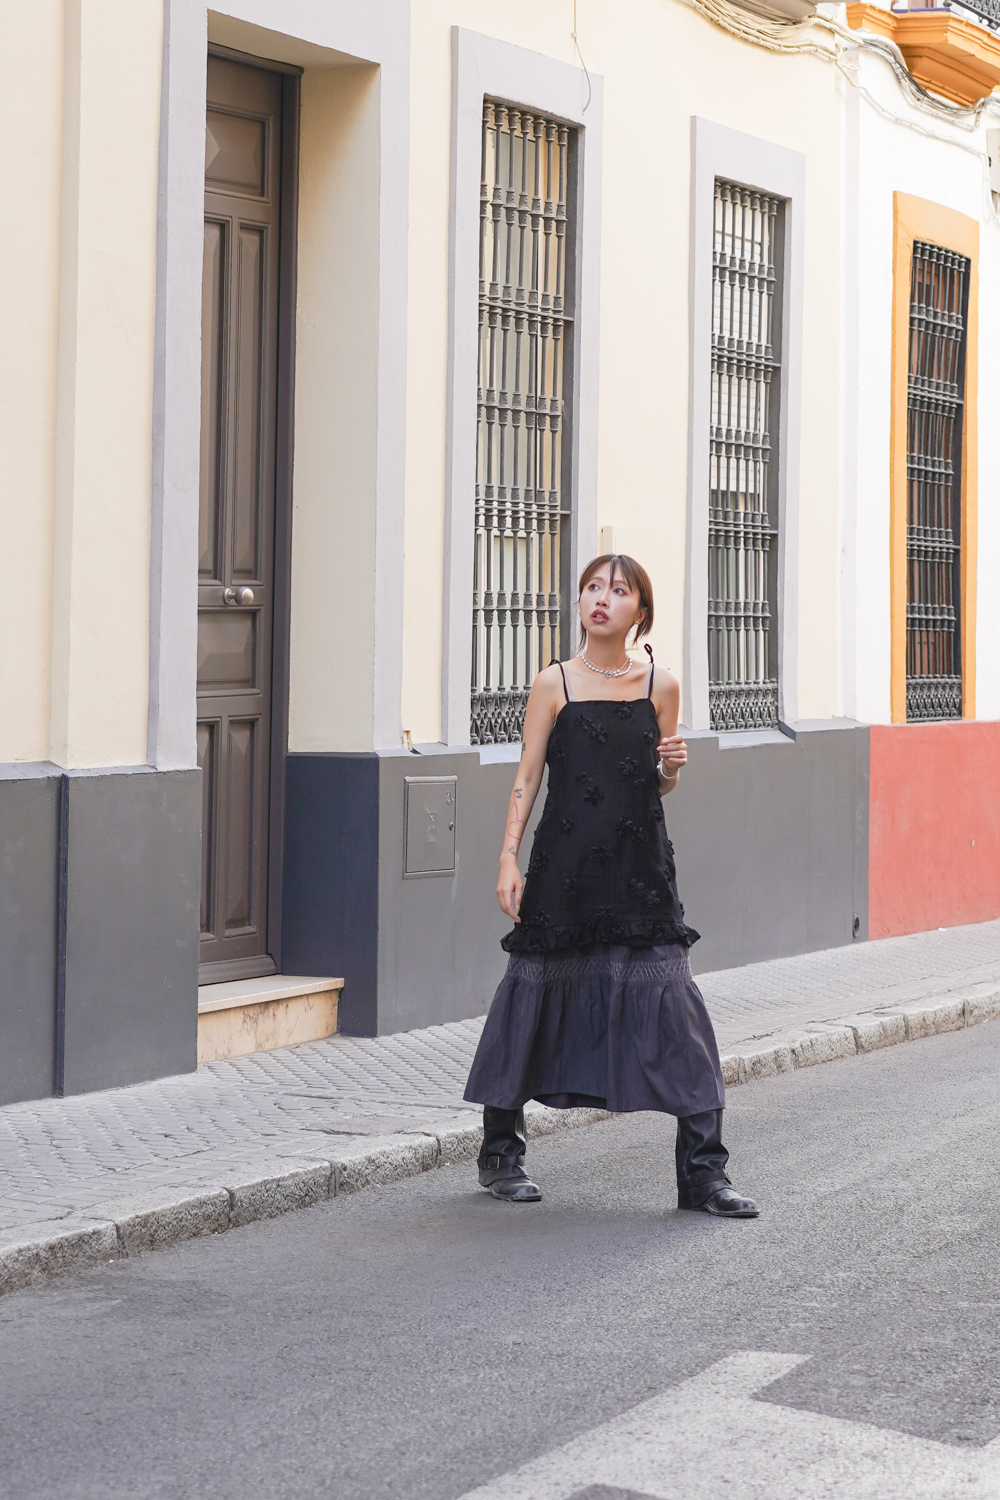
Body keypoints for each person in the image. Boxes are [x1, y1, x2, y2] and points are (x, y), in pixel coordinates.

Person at [464, 554, 758, 1218]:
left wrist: (671, 769)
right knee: (529, 1000)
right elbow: (527, 776)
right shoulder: (554, 683)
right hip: (562, 867)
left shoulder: (661, 685)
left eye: (618, 591)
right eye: (593, 588)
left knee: (678, 1014)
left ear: (639, 612)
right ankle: (501, 1155)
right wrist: (507, 857)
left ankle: (703, 1175)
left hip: (640, 870)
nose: (601, 598)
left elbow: (657, 783)